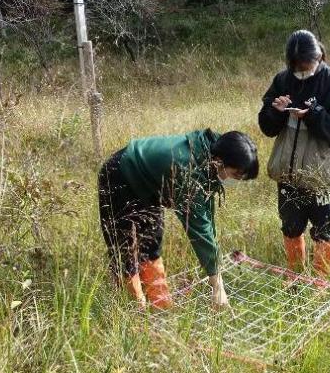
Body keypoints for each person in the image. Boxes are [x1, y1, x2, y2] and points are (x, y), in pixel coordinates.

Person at [98, 128, 259, 310]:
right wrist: (218, 287)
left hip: (152, 183)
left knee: (151, 243)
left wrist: (216, 269)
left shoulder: (213, 154)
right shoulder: (187, 169)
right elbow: (199, 229)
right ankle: (136, 309)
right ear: (220, 161)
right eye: (236, 174)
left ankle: (160, 304)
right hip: (121, 174)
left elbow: (205, 214)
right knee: (124, 247)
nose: (236, 180)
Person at [258, 30, 330, 277]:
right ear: (289, 63)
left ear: (320, 56)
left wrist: (314, 115)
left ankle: (320, 283)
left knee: (324, 228)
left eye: (308, 64)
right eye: (298, 66)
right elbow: (266, 126)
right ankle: (295, 276)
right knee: (291, 226)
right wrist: (277, 111)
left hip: (322, 175)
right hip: (289, 175)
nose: (303, 69)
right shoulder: (282, 80)